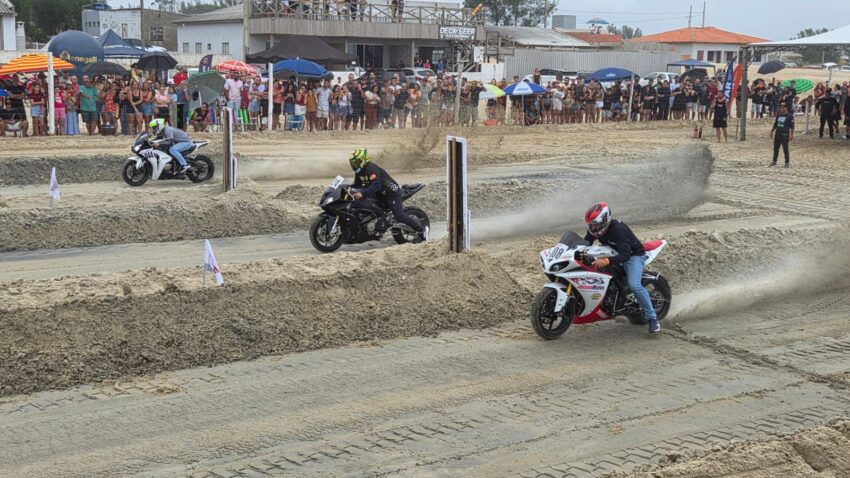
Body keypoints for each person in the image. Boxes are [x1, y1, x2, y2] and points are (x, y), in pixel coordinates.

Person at [583, 202, 659, 333]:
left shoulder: (618, 230)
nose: (593, 228)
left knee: (634, 285)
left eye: (595, 224)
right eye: (591, 225)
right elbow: (586, 243)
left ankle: (652, 318)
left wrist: (607, 260)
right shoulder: (595, 230)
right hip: (613, 252)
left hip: (633, 255)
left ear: (605, 220)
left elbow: (625, 255)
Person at [349, 149, 427, 243]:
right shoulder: (359, 172)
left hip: (391, 193)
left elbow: (376, 185)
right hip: (380, 194)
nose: (355, 165)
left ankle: (421, 230)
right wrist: (347, 188)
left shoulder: (371, 168)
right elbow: (356, 184)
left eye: (357, 162)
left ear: (364, 160)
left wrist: (362, 193)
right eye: (353, 163)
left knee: (400, 216)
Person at [770, 103, 795, 168]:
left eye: (783, 107)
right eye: (781, 107)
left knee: (785, 149)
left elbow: (792, 126)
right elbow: (775, 124)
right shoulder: (778, 115)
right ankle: (774, 161)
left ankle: (787, 162)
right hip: (777, 133)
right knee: (775, 149)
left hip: (785, 134)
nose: (781, 109)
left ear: (786, 108)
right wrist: (771, 131)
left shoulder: (790, 116)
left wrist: (791, 134)